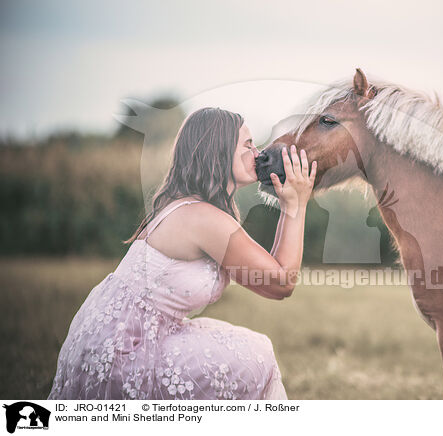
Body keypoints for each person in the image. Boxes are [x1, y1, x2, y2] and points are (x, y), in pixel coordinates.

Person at [47, 107, 316, 400]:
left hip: (124, 339)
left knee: (249, 347)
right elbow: (281, 283)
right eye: (248, 144)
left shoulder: (194, 208)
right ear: (219, 150)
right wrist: (296, 206)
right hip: (124, 353)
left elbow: (270, 278)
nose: (258, 152)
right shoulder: (202, 217)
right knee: (256, 356)